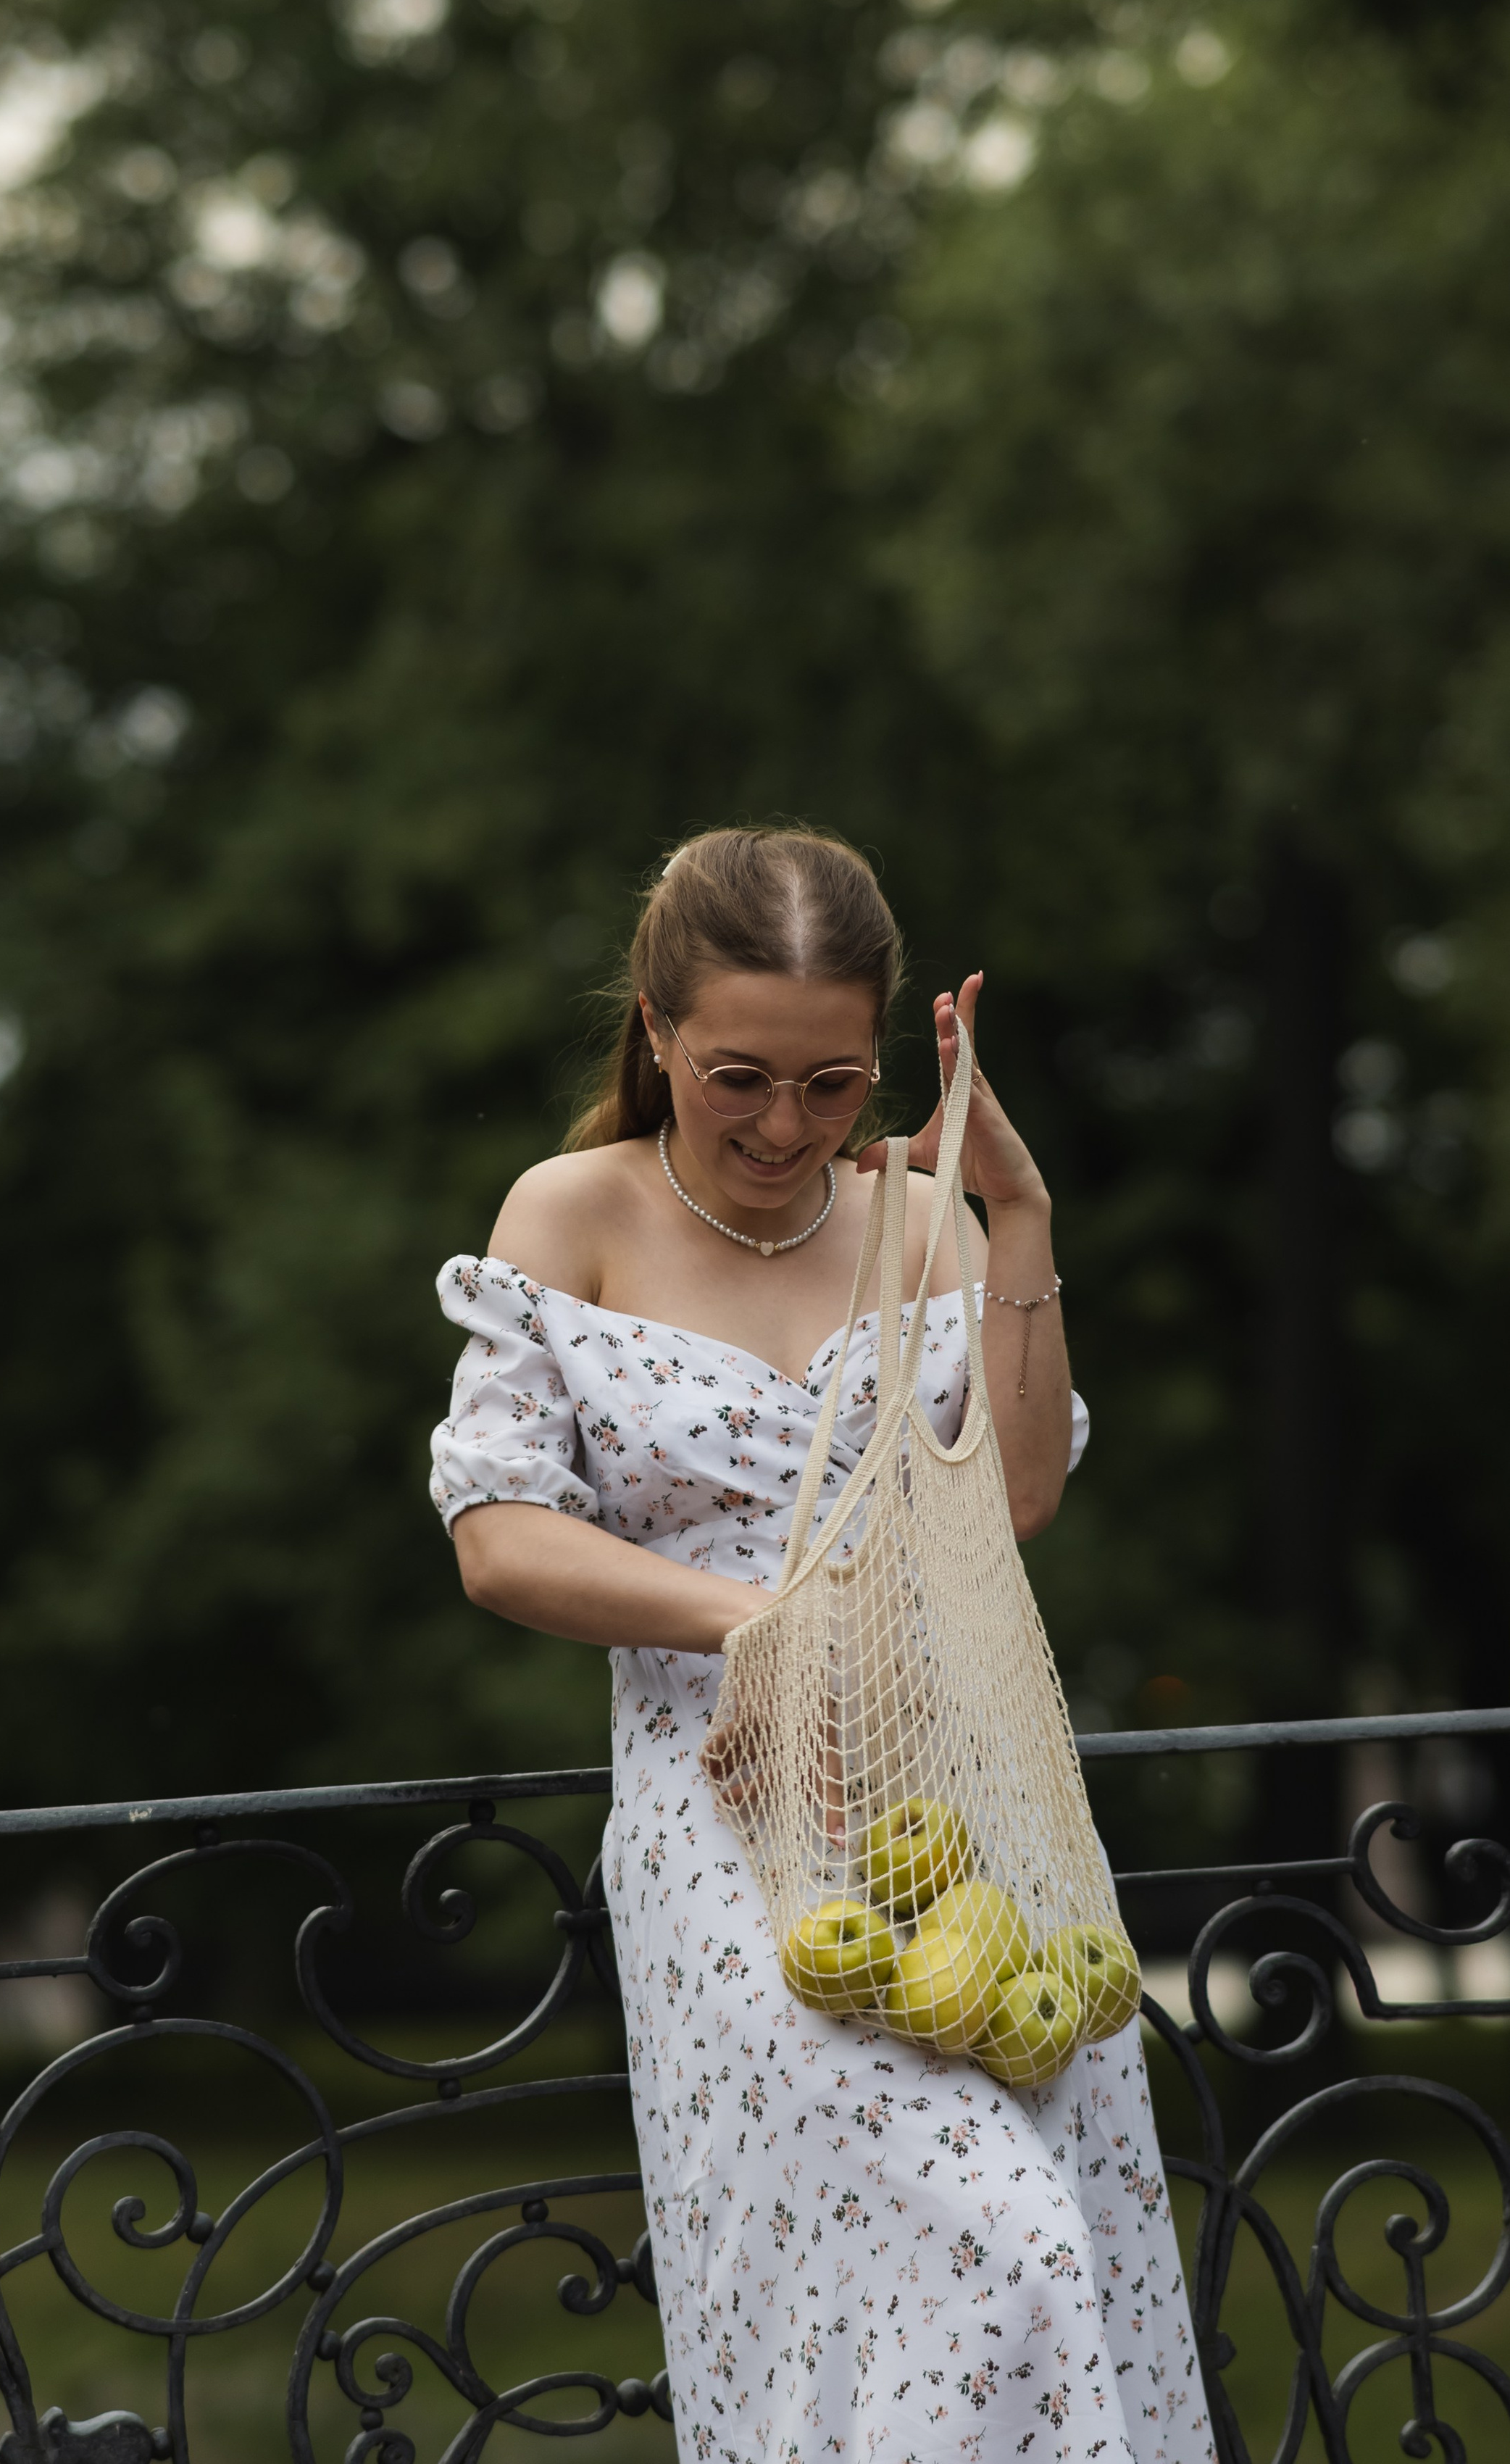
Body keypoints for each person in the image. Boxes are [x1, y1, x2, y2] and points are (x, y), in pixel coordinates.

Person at [429, 827, 1214, 2464]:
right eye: (737, 1076)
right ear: (656, 1029)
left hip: (964, 1805)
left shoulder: (921, 1219)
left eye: (830, 1083)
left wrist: (1014, 1212)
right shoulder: (570, 1212)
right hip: (729, 1823)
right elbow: (497, 1536)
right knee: (983, 2247)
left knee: (1050, 2244)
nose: (784, 1126)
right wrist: (761, 1625)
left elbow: (1015, 1492)